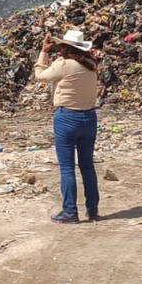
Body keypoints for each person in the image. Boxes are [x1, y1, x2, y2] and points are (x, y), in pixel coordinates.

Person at [34, 29, 100, 224]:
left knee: (67, 168)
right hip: (89, 117)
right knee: (87, 166)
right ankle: (93, 209)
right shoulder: (91, 65)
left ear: (66, 47)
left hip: (67, 118)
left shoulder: (63, 65)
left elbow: (41, 76)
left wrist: (44, 53)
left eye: (61, 46)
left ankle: (70, 211)